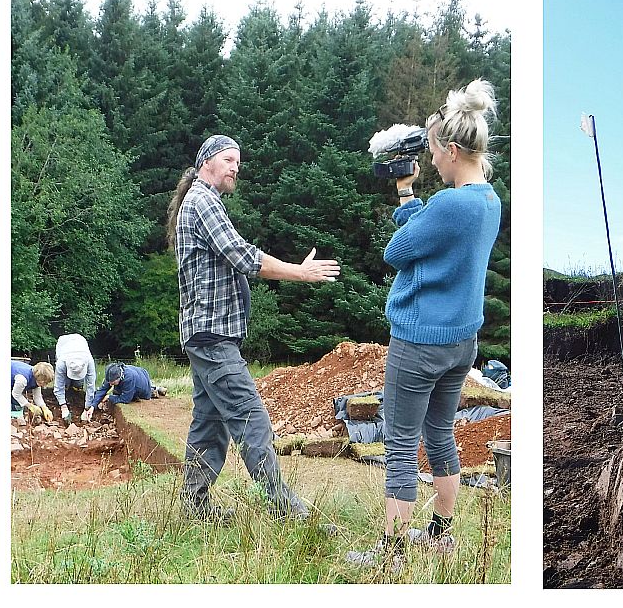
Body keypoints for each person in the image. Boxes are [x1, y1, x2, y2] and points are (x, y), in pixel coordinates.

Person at [348, 82, 503, 567]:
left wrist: (408, 200)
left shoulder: (451, 205)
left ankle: (391, 553)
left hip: (419, 341)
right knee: (440, 434)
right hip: (461, 342)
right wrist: (407, 193)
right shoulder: (488, 200)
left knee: (399, 441)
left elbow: (398, 251)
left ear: (453, 151)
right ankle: (440, 534)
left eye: (435, 152)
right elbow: (429, 241)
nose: (431, 160)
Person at [166, 134, 341, 526]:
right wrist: (300, 272)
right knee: (251, 417)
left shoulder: (203, 201)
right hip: (212, 336)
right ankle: (288, 512)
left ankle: (193, 508)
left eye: (238, 163)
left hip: (208, 334)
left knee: (209, 423)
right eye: (229, 160)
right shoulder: (202, 201)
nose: (235, 168)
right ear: (207, 161)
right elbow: (245, 257)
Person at [90, 361, 168, 413]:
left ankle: (155, 390)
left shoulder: (128, 378)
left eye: (112, 383)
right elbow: (102, 390)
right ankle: (156, 387)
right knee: (116, 391)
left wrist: (108, 397)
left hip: (142, 383)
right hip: (138, 372)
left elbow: (125, 399)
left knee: (146, 394)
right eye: (109, 382)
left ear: (119, 377)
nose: (110, 385)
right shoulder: (111, 374)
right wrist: (93, 406)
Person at [54, 332, 98, 423]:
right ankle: (66, 397)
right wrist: (63, 407)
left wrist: (87, 408)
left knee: (78, 384)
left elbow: (91, 386)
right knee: (65, 383)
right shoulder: (61, 362)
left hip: (80, 341)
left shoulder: (89, 361)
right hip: (63, 344)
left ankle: (76, 395)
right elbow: (58, 386)